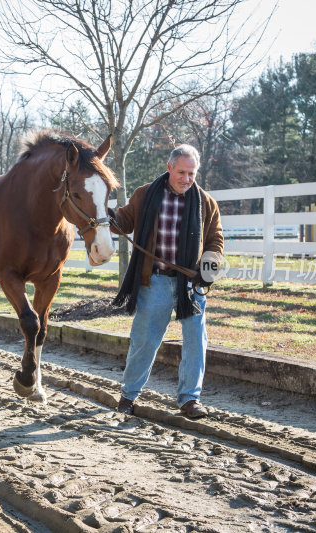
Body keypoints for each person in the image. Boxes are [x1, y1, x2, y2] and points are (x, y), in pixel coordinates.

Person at [110, 144, 223, 419]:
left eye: (192, 174)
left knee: (196, 340)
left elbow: (215, 240)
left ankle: (189, 400)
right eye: (181, 172)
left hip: (190, 285)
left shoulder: (205, 202)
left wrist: (207, 270)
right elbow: (123, 221)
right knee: (144, 340)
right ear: (169, 167)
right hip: (155, 281)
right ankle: (128, 395)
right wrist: (104, 215)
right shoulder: (145, 194)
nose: (186, 179)